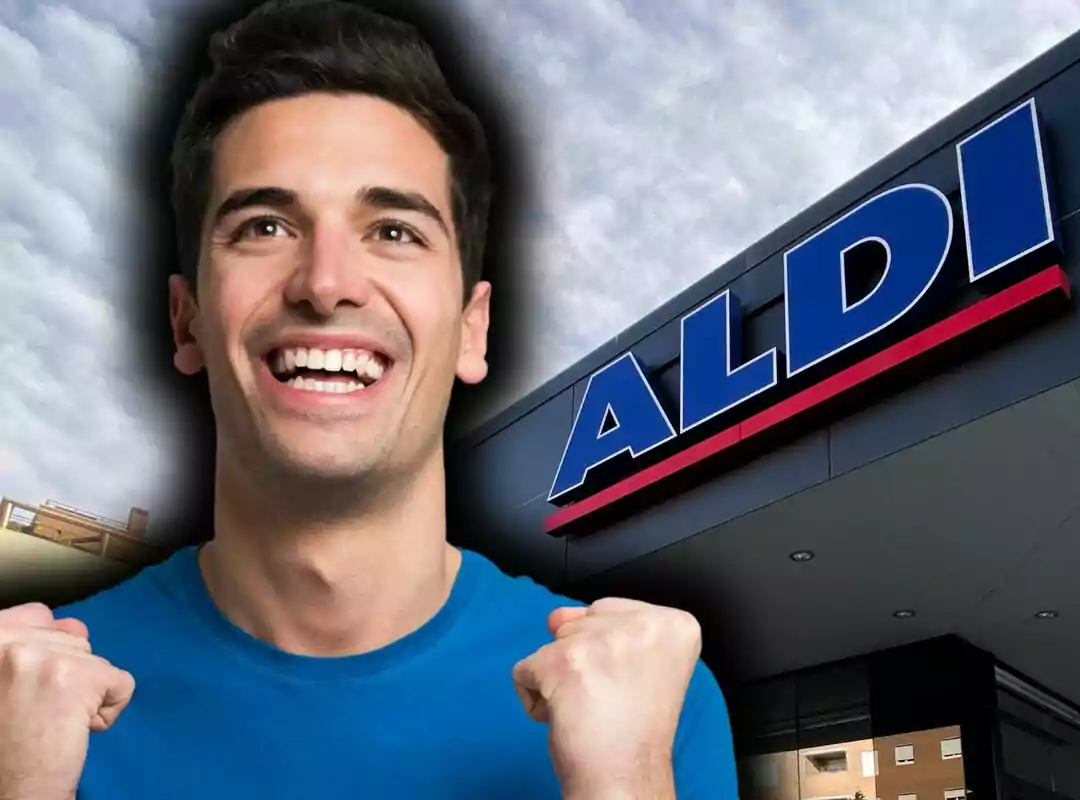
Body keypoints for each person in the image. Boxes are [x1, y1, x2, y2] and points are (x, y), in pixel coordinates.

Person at [0, 0, 739, 798]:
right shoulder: (20, 712)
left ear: (471, 329)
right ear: (187, 320)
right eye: (264, 226)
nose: (326, 284)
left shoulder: (655, 708)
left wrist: (624, 783)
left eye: (393, 231)